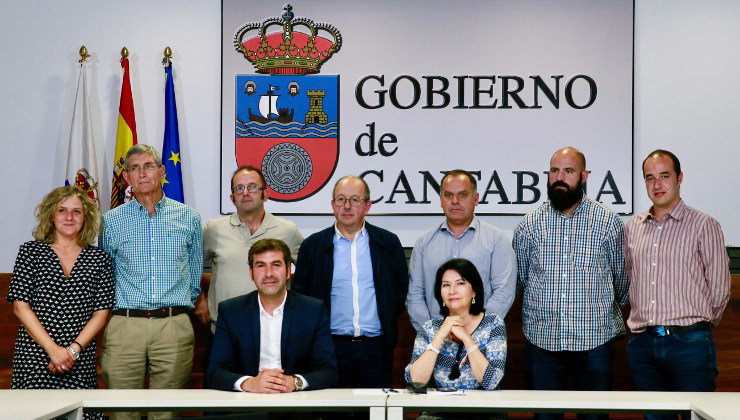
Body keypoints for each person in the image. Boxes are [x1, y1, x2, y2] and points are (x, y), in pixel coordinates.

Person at [512, 147, 627, 420]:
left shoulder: (608, 222)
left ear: (584, 176)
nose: (559, 177)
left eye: (568, 171)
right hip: (543, 343)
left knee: (594, 418)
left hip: (595, 342)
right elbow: (521, 281)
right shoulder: (529, 225)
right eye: (554, 171)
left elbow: (622, 280)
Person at [625, 150, 730, 420]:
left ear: (679, 178)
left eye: (664, 176)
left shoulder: (703, 225)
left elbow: (719, 289)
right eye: (650, 178)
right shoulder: (633, 228)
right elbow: (627, 280)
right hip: (643, 344)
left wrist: (696, 327)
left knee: (699, 416)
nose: (657, 185)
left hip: (690, 344)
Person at [99, 144, 202, 420]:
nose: (142, 173)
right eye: (134, 168)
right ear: (128, 178)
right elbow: (105, 275)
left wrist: (177, 311)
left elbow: (194, 277)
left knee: (166, 413)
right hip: (125, 325)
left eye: (148, 166)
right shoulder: (111, 221)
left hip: (173, 325)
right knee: (122, 412)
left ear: (162, 171)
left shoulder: (189, 217)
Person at [7, 186, 114, 420]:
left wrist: (72, 351)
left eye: (76, 211)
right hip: (36, 357)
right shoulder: (30, 252)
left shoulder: (99, 258)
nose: (69, 217)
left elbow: (101, 312)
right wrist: (53, 351)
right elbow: (20, 306)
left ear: (86, 217)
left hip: (79, 358)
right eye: (62, 210)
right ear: (51, 215)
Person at [292, 176, 408, 389]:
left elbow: (399, 294)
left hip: (376, 349)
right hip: (328, 348)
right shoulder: (313, 246)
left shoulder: (388, 243)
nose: (347, 206)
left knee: (373, 413)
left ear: (367, 206)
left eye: (355, 200)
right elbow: (301, 297)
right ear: (332, 205)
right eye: (341, 199)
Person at [197, 165, 303, 375]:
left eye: (253, 187)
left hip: (276, 334)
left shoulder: (287, 230)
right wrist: (200, 299)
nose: (245, 193)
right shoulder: (214, 230)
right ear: (231, 197)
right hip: (224, 331)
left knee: (276, 399)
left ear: (266, 193)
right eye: (239, 188)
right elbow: (186, 266)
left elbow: (309, 272)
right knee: (220, 398)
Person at [207, 238, 337, 392]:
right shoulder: (231, 312)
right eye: (261, 266)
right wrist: (249, 383)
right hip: (247, 402)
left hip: (296, 403)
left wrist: (294, 382)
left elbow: (329, 371)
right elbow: (215, 372)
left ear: (288, 271)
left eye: (276, 265)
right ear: (251, 273)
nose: (269, 273)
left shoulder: (313, 310)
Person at [407, 169, 516, 331]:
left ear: (476, 199)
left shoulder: (497, 240)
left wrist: (475, 331)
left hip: (481, 342)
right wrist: (434, 334)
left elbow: (503, 294)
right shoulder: (424, 243)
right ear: (441, 200)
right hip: (435, 342)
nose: (455, 201)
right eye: (448, 195)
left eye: (463, 195)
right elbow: (415, 296)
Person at [405, 258, 506, 420]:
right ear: (440, 293)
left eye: (460, 283)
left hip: (483, 413)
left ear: (474, 291)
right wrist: (439, 336)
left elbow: (491, 382)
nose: (452, 290)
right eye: (446, 285)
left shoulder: (493, 323)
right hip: (438, 413)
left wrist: (467, 338)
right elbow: (415, 381)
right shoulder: (430, 328)